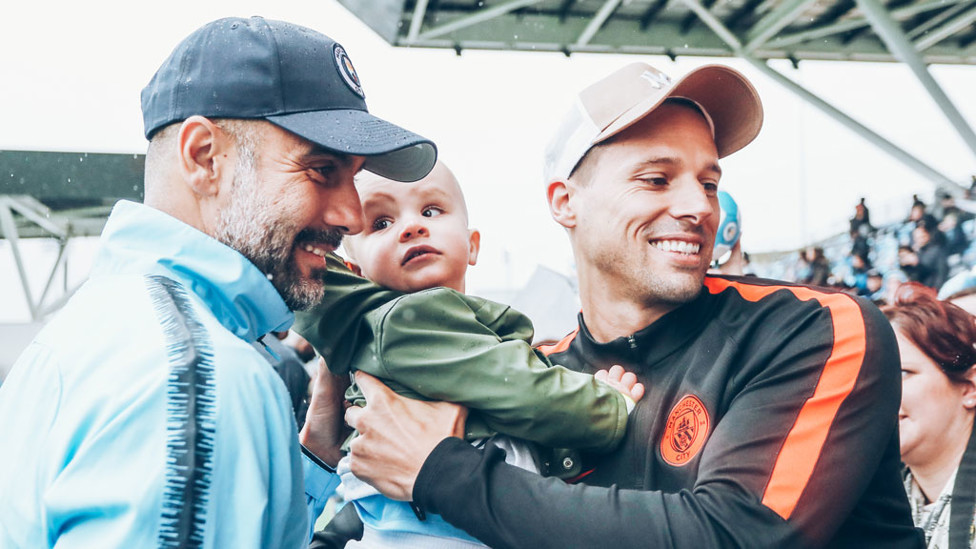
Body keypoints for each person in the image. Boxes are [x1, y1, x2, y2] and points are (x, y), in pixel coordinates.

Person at [331, 62, 923, 547]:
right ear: (566, 201)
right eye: (657, 179)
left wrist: (443, 474)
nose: (699, 207)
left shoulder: (813, 327)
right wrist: (320, 438)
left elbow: (736, 537)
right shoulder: (539, 371)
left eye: (709, 182)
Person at [0, 16, 437, 547]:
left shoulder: (95, 330)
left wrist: (318, 448)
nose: (351, 212)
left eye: (353, 177)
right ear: (204, 157)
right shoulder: (198, 380)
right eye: (321, 169)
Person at [293, 161, 643, 547]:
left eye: (430, 211)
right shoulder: (409, 322)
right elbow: (527, 392)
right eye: (381, 223)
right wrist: (610, 407)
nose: (411, 226)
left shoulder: (403, 334)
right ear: (357, 272)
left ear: (473, 245)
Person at [882, 283, 976, 548]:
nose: (875, 394)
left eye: (901, 373)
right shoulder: (866, 502)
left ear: (969, 388)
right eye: (866, 379)